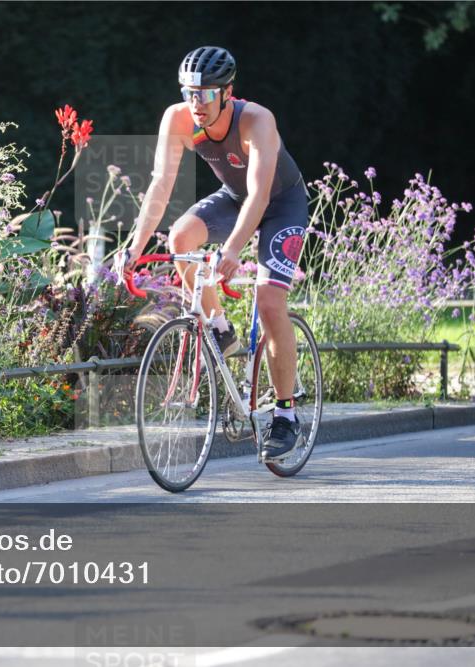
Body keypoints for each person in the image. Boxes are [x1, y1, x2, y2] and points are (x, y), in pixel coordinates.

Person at [125, 46, 308, 460]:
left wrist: (232, 249)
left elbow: (261, 195)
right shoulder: (178, 119)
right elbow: (160, 185)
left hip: (281, 204)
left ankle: (285, 415)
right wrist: (134, 248)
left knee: (270, 299)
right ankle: (221, 329)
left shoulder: (257, 120)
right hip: (233, 196)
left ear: (228, 92)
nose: (197, 104)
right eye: (190, 93)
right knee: (180, 241)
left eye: (206, 95)